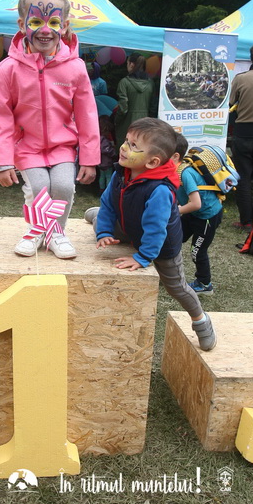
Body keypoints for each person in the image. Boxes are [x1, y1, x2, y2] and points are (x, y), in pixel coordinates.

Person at [0, 0, 100, 259]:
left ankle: (56, 233)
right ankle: (37, 230)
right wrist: (2, 161)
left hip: (62, 145)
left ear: (65, 25)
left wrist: (89, 158)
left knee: (63, 187)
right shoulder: (7, 69)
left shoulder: (75, 68)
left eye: (54, 22)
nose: (46, 30)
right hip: (26, 146)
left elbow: (86, 114)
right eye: (36, 21)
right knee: (39, 187)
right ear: (21, 23)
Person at [84, 117, 216, 351]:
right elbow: (109, 202)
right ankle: (97, 219)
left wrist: (143, 257)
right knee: (101, 223)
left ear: (153, 162)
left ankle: (201, 321)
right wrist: (104, 230)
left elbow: (156, 229)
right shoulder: (121, 172)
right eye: (127, 141)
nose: (124, 147)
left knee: (176, 287)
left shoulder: (160, 190)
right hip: (131, 226)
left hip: (162, 243)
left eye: (134, 146)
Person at [176, 137, 223, 295]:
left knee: (197, 251)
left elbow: (196, 204)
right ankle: (171, 275)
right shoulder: (176, 171)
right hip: (193, 214)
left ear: (175, 156)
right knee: (173, 238)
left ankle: (204, 284)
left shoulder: (185, 173)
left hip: (207, 216)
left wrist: (177, 211)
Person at [229, 44, 253, 230]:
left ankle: (246, 221)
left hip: (244, 133)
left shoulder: (241, 78)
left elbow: (231, 103)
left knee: (243, 177)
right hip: (245, 133)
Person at [113, 53, 155, 150]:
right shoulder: (150, 83)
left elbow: (123, 108)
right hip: (145, 124)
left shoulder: (124, 82)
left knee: (125, 150)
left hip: (127, 124)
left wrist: (116, 121)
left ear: (131, 64)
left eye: (127, 63)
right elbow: (153, 107)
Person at [98, 115, 118, 193]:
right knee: (108, 176)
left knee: (102, 176)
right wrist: (114, 154)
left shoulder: (98, 136)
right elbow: (107, 149)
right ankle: (107, 191)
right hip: (107, 161)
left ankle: (101, 189)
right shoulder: (105, 138)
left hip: (100, 160)